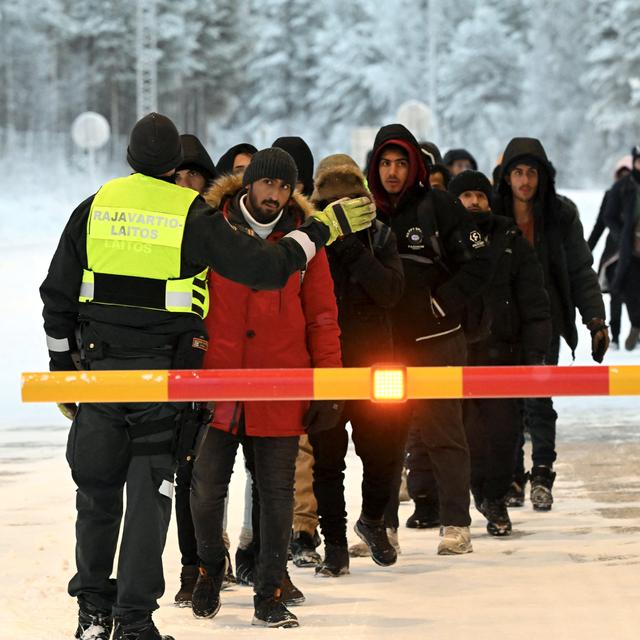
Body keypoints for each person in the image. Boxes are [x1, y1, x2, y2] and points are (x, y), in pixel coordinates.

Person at [40, 113, 375, 640]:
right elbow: (266, 269)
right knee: (149, 498)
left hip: (101, 377)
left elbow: (56, 295)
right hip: (163, 381)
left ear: (129, 158)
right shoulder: (191, 214)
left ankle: (91, 613)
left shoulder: (95, 206)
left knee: (96, 496)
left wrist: (63, 369)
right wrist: (321, 229)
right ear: (176, 166)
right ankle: (132, 621)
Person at [189, 148, 343, 628]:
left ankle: (269, 591)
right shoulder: (214, 229)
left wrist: (328, 386)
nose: (273, 195)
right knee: (206, 487)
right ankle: (211, 569)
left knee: (277, 493)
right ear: (248, 185)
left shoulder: (306, 242)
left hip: (281, 384)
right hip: (221, 384)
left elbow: (322, 317)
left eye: (282, 187)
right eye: (266, 185)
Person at [366, 123, 492, 556]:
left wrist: (444, 303)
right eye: (385, 163)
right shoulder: (364, 211)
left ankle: (457, 524)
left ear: (416, 165)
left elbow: (479, 263)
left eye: (401, 163)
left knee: (444, 433)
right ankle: (382, 527)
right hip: (385, 347)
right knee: (383, 439)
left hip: (438, 339)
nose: (393, 172)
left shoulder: (439, 204)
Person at [493, 137, 609, 511]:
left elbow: (579, 269)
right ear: (506, 177)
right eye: (518, 172)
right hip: (502, 322)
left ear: (543, 177)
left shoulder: (560, 215)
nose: (525, 181)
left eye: (532, 173)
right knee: (506, 404)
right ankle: (511, 476)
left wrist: (594, 319)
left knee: (539, 400)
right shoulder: (493, 213)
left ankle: (542, 473)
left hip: (545, 321)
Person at [308, 154, 404, 574]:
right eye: (334, 201)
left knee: (383, 452)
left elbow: (391, 292)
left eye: (352, 199)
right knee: (327, 462)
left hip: (374, 361)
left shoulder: (380, 235)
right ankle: (334, 546)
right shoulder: (308, 238)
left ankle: (373, 520)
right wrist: (328, 242)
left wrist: (352, 251)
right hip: (326, 363)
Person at [448, 170, 551, 535]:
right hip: (456, 355)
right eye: (466, 196)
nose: (475, 202)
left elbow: (534, 298)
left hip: (503, 354)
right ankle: (466, 500)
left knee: (506, 434)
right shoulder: (445, 240)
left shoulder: (511, 240)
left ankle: (493, 497)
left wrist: (536, 350)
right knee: (466, 434)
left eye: (480, 196)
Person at [272, 136, 322, 567]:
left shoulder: (313, 225)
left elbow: (321, 305)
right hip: (272, 355)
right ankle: (283, 533)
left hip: (299, 354)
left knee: (298, 450)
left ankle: (302, 528)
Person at [588, 155, 632, 350]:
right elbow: (600, 224)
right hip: (613, 253)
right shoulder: (610, 195)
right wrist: (586, 251)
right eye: (621, 174)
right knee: (615, 293)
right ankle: (615, 337)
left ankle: (635, 331)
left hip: (635, 255)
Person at [604, 145, 640, 351]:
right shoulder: (621, 187)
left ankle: (636, 326)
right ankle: (618, 334)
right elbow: (606, 218)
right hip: (625, 251)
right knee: (622, 289)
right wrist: (623, 236)